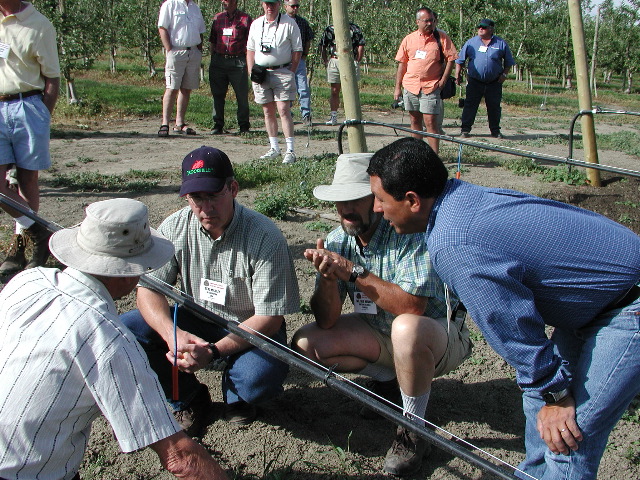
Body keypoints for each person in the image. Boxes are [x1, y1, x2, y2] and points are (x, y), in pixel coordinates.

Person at [367, 137, 640, 480]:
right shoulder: (460, 197)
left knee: (569, 439)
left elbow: (510, 322)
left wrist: (555, 393)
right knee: (539, 405)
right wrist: (547, 393)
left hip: (628, 306)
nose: (376, 209)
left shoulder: (455, 242)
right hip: (598, 300)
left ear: (411, 200)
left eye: (380, 199)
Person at [0, 198, 228, 480]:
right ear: (127, 273)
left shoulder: (27, 281)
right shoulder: (109, 339)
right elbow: (180, 457)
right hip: (28, 472)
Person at [292, 153, 471, 476]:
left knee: (406, 328)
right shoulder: (338, 240)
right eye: (339, 201)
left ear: (376, 199)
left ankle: (414, 429)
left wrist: (352, 271)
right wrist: (330, 280)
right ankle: (392, 383)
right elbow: (327, 321)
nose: (345, 209)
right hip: (381, 332)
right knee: (308, 342)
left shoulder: (409, 233)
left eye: (354, 199)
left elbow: (412, 308)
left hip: (436, 337)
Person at [121, 146, 300, 435]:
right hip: (196, 318)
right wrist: (173, 335)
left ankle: (238, 396)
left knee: (258, 380)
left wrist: (214, 351)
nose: (205, 208)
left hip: (252, 327)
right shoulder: (175, 227)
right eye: (196, 198)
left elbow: (270, 318)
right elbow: (148, 289)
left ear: (233, 189)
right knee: (127, 331)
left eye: (214, 195)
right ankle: (190, 398)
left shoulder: (265, 236)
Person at [0, 0, 60, 275]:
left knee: (27, 179)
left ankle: (21, 244)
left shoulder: (38, 25)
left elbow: (52, 77)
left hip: (27, 104)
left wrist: (42, 117)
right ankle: (39, 230)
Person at [394, 7, 457, 154]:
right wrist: (397, 87)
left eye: (432, 20)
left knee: (430, 123)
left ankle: (434, 157)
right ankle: (417, 154)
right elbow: (402, 63)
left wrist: (443, 80)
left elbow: (451, 59)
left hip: (431, 87)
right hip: (410, 86)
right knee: (415, 121)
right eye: (426, 20)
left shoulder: (441, 38)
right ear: (417, 22)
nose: (430, 23)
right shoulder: (409, 39)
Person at [247, 0, 302, 164]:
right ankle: (274, 147)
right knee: (267, 111)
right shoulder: (256, 24)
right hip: (261, 73)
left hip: (282, 72)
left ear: (279, 4)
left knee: (284, 110)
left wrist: (290, 71)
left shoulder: (289, 23)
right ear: (262, 4)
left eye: (273, 4)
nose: (270, 7)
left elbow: (297, 49)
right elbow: (250, 49)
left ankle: (290, 149)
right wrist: (251, 71)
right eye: (267, 3)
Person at [455, 19, 515, 139]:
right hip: (474, 81)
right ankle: (465, 129)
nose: (480, 29)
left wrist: (504, 75)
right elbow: (460, 60)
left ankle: (495, 130)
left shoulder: (500, 43)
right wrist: (458, 75)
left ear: (491, 29)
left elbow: (508, 62)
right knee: (470, 106)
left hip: (494, 82)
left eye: (484, 27)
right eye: (479, 27)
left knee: (494, 107)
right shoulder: (471, 43)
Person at [157, 0, 206, 137]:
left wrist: (199, 51)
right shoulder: (170, 4)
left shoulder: (195, 7)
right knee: (172, 87)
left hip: (193, 51)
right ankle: (165, 123)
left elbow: (200, 31)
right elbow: (162, 28)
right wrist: (169, 49)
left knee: (186, 88)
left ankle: (180, 123)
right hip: (176, 50)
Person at [208, 0, 252, 135]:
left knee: (242, 95)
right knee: (218, 94)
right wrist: (214, 58)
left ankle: (244, 125)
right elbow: (212, 40)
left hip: (238, 61)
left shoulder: (245, 19)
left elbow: (251, 41)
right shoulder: (218, 18)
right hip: (219, 60)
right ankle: (218, 124)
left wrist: (247, 60)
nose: (223, 2)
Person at [318, 22, 365, 126]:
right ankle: (333, 116)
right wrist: (325, 60)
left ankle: (353, 117)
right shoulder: (330, 29)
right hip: (334, 60)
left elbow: (361, 44)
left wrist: (357, 60)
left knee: (351, 90)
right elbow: (322, 45)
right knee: (335, 90)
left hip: (350, 60)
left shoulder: (355, 28)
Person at [284, 0, 314, 126]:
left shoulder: (302, 22)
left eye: (297, 6)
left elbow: (308, 39)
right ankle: (287, 113)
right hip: (284, 60)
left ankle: (306, 114)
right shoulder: (280, 21)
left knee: (303, 87)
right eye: (293, 6)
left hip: (299, 60)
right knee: (286, 87)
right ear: (286, 6)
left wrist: (305, 55)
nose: (295, 8)